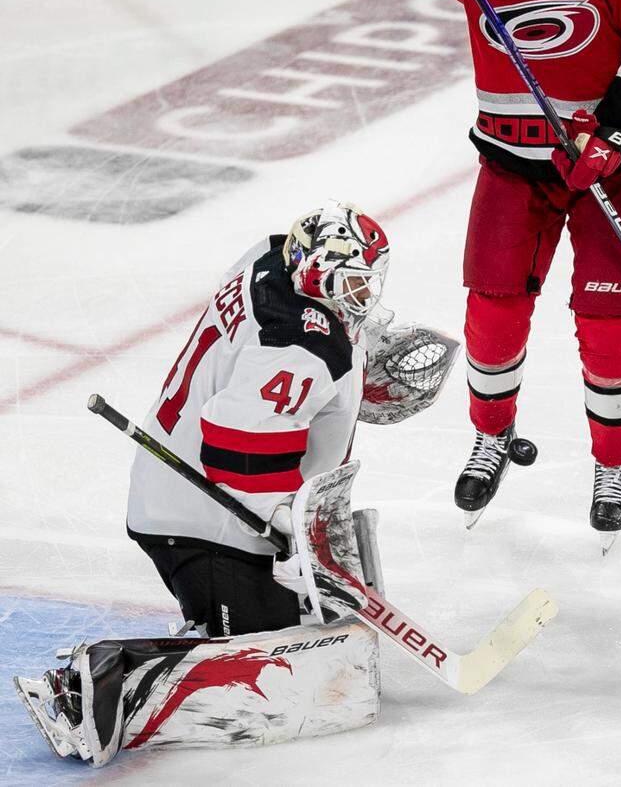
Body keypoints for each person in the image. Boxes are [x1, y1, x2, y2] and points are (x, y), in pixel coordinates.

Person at [345, 0, 621, 544]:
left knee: (609, 329)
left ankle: (615, 464)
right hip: (514, 161)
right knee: (493, 317)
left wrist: (613, 132)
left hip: (614, 167)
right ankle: (492, 437)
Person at [14, 201, 397, 765]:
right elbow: (238, 447)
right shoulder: (299, 345)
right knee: (281, 663)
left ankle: (213, 610)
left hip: (180, 487)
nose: (366, 299)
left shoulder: (270, 261)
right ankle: (90, 685)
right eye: (358, 286)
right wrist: (286, 522)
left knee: (309, 631)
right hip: (208, 523)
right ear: (322, 272)